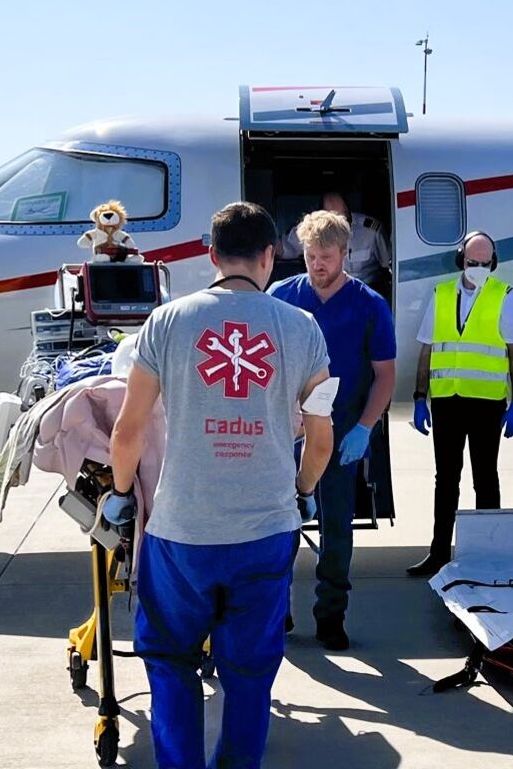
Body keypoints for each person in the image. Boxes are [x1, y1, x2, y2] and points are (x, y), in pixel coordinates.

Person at [107, 201, 335, 769]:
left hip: (182, 531)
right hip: (266, 529)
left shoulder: (166, 321)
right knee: (251, 673)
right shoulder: (302, 328)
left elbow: (127, 430)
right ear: (269, 257)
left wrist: (118, 493)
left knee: (170, 661)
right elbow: (321, 436)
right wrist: (303, 490)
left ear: (211, 256)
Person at [268, 209, 397, 650]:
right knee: (278, 523)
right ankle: (277, 611)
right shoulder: (281, 296)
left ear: (345, 254)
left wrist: (365, 427)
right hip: (285, 426)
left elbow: (384, 374)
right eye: (309, 256)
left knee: (337, 525)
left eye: (325, 256)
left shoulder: (369, 305)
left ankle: (330, 615)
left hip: (341, 429)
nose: (316, 264)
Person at [405, 230, 513, 578]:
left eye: (484, 263)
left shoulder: (506, 297)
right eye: (472, 263)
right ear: (462, 260)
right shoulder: (442, 295)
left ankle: (489, 555)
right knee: (446, 480)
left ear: (493, 263)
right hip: (447, 401)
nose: (477, 268)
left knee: (485, 479)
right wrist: (419, 397)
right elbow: (426, 349)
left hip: (487, 403)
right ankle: (439, 552)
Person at [282, 192, 392, 295]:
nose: (341, 225)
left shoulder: (371, 231)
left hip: (365, 291)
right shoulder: (310, 231)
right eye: (334, 222)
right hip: (325, 292)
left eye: (344, 217)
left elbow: (389, 265)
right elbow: (281, 249)